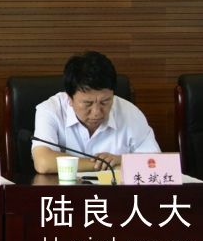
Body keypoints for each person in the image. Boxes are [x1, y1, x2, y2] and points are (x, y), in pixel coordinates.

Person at [32, 51, 160, 174]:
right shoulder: (51, 110)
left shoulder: (130, 113)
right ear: (70, 98)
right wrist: (108, 165)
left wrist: (121, 160)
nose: (97, 112)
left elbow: (156, 163)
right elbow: (43, 163)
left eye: (105, 101)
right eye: (88, 103)